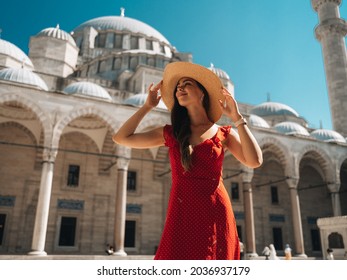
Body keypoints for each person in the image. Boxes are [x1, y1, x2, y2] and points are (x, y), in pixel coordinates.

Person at [112, 61, 263, 260]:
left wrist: (238, 118)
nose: (180, 89)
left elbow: (254, 161)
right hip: (182, 212)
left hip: (216, 210)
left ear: (202, 92)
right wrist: (147, 106)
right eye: (177, 88)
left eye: (186, 84)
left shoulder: (223, 133)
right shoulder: (172, 133)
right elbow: (121, 138)